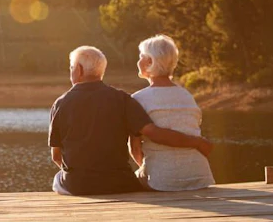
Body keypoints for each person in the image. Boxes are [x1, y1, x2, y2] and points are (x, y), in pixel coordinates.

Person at [49, 45, 213, 196]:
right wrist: (196, 142)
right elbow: (153, 132)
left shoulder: (60, 103)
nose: (71, 71)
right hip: (120, 183)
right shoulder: (123, 99)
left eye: (71, 68)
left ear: (79, 70)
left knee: (58, 180)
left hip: (78, 185)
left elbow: (56, 156)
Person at [130, 35, 215, 191]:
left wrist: (154, 169)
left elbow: (135, 149)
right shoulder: (187, 96)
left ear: (150, 62)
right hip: (199, 177)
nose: (138, 61)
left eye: (141, 57)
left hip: (162, 181)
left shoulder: (138, 99)